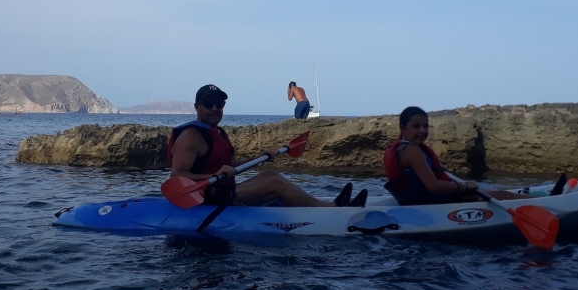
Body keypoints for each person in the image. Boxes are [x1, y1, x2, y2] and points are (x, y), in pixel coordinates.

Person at [168, 84, 366, 207]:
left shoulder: (216, 132)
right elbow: (177, 175)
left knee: (271, 176)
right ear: (196, 107)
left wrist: (257, 159)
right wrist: (212, 177)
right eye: (209, 103)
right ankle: (330, 210)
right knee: (274, 185)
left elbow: (227, 165)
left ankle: (320, 205)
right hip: (206, 198)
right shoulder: (190, 136)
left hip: (222, 190)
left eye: (219, 104)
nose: (214, 109)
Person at [382, 106, 530, 206]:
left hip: (419, 201)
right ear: (403, 128)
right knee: (501, 195)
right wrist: (464, 186)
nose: (422, 131)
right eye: (416, 126)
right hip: (433, 203)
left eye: (426, 126)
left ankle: (546, 198)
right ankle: (547, 201)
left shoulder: (404, 149)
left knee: (496, 193)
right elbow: (434, 186)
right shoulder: (412, 151)